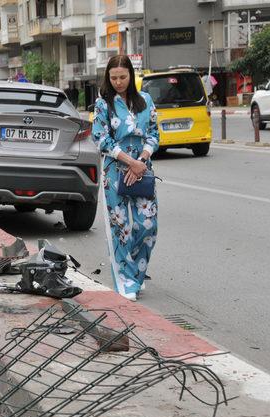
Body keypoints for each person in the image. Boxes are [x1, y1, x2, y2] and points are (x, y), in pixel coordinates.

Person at [91, 54, 160, 301]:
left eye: (122, 77)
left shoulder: (145, 101)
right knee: (121, 228)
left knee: (147, 225)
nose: (118, 82)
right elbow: (100, 138)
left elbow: (154, 134)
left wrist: (141, 161)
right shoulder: (103, 105)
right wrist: (130, 161)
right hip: (116, 169)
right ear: (108, 79)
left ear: (131, 76)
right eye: (113, 78)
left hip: (142, 168)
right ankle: (125, 281)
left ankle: (137, 274)